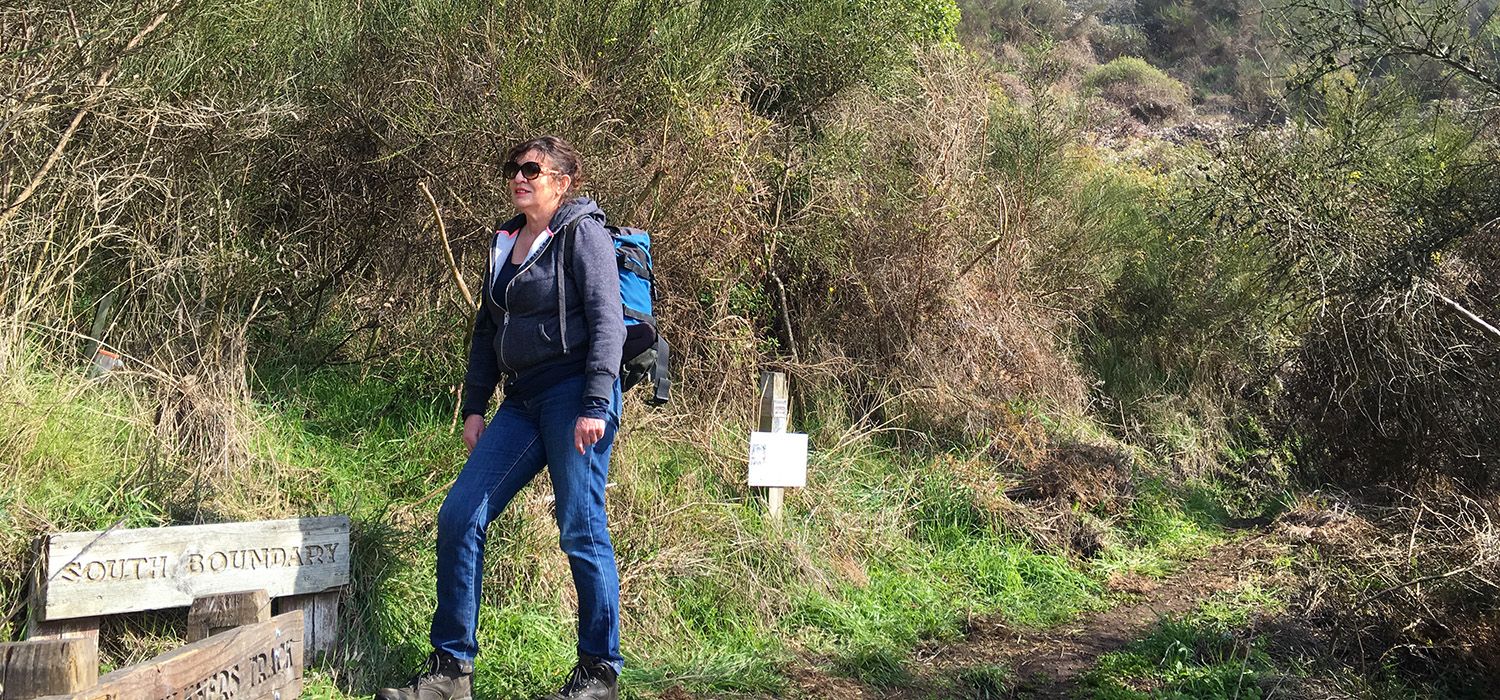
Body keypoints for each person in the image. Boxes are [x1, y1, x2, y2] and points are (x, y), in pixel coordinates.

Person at [378, 135, 626, 700]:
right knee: (460, 514)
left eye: (532, 169)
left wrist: (594, 401)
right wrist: (473, 405)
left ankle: (598, 675)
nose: (520, 175)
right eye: (514, 168)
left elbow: (607, 320)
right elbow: (486, 332)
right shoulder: (506, 242)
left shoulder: (582, 232)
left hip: (573, 396)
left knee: (580, 529)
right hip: (520, 402)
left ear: (561, 182)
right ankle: (450, 672)